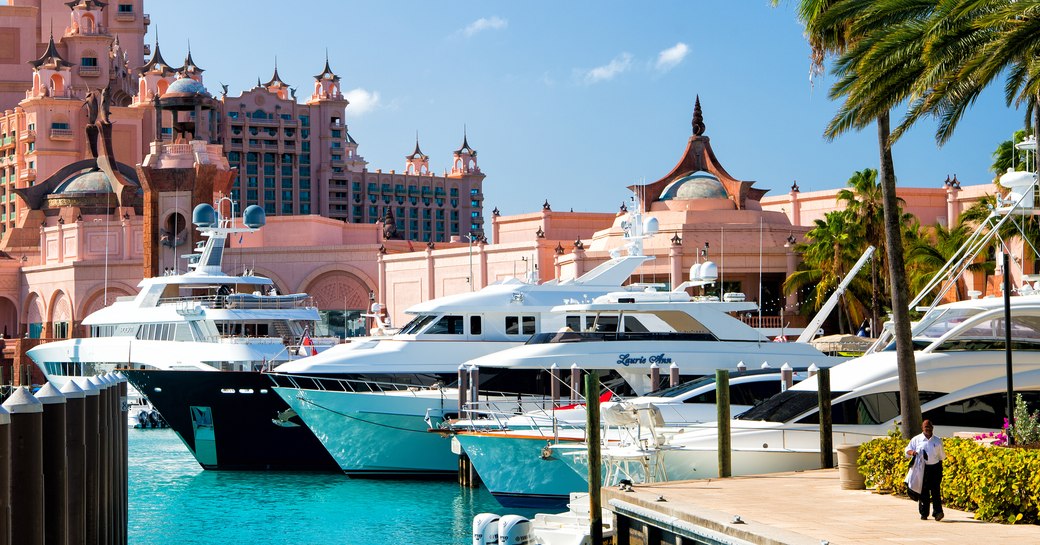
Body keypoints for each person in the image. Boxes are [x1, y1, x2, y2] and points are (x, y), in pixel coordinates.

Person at [905, 419, 945, 521]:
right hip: (922, 468)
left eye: (929, 427)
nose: (927, 429)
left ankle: (938, 512)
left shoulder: (937, 440)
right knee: (924, 492)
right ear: (922, 428)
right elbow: (907, 450)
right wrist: (912, 452)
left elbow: (941, 457)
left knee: (936, 491)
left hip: (935, 467)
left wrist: (940, 469)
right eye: (925, 427)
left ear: (932, 428)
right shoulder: (916, 439)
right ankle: (924, 513)